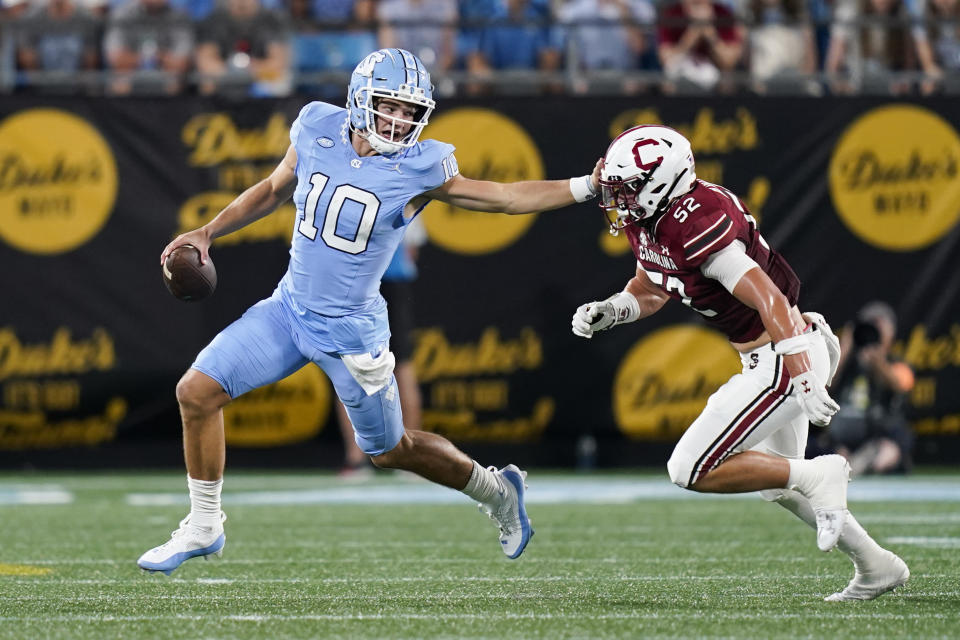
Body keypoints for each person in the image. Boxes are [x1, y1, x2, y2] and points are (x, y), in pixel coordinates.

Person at [138, 48, 601, 575]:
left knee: (391, 450)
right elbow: (271, 190)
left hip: (353, 332)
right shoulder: (316, 125)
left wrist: (586, 186)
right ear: (360, 97)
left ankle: (496, 489)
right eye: (390, 106)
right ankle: (203, 524)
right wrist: (208, 231)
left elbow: (505, 197)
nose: (400, 121)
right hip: (288, 311)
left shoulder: (420, 166)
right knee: (196, 392)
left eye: (410, 112)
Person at [571, 125, 908, 602]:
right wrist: (613, 310)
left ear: (661, 182)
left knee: (690, 467)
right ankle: (877, 566)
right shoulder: (651, 219)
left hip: (785, 351)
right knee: (779, 486)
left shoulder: (697, 219)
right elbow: (650, 289)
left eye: (627, 187)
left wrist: (802, 375)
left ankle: (822, 474)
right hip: (775, 353)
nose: (618, 198)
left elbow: (767, 297)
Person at [338, 221, 426, 477]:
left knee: (356, 366)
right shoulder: (406, 184)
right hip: (374, 281)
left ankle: (359, 459)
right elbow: (412, 249)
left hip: (358, 282)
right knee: (353, 367)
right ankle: (399, 458)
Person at [820, 301, 915, 476]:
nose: (873, 332)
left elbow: (901, 385)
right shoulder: (845, 365)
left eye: (879, 327)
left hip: (878, 433)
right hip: (843, 433)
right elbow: (822, 387)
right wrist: (844, 348)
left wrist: (877, 361)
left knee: (895, 442)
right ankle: (851, 461)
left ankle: (867, 461)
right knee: (819, 446)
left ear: (891, 333)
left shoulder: (896, 363)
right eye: (869, 327)